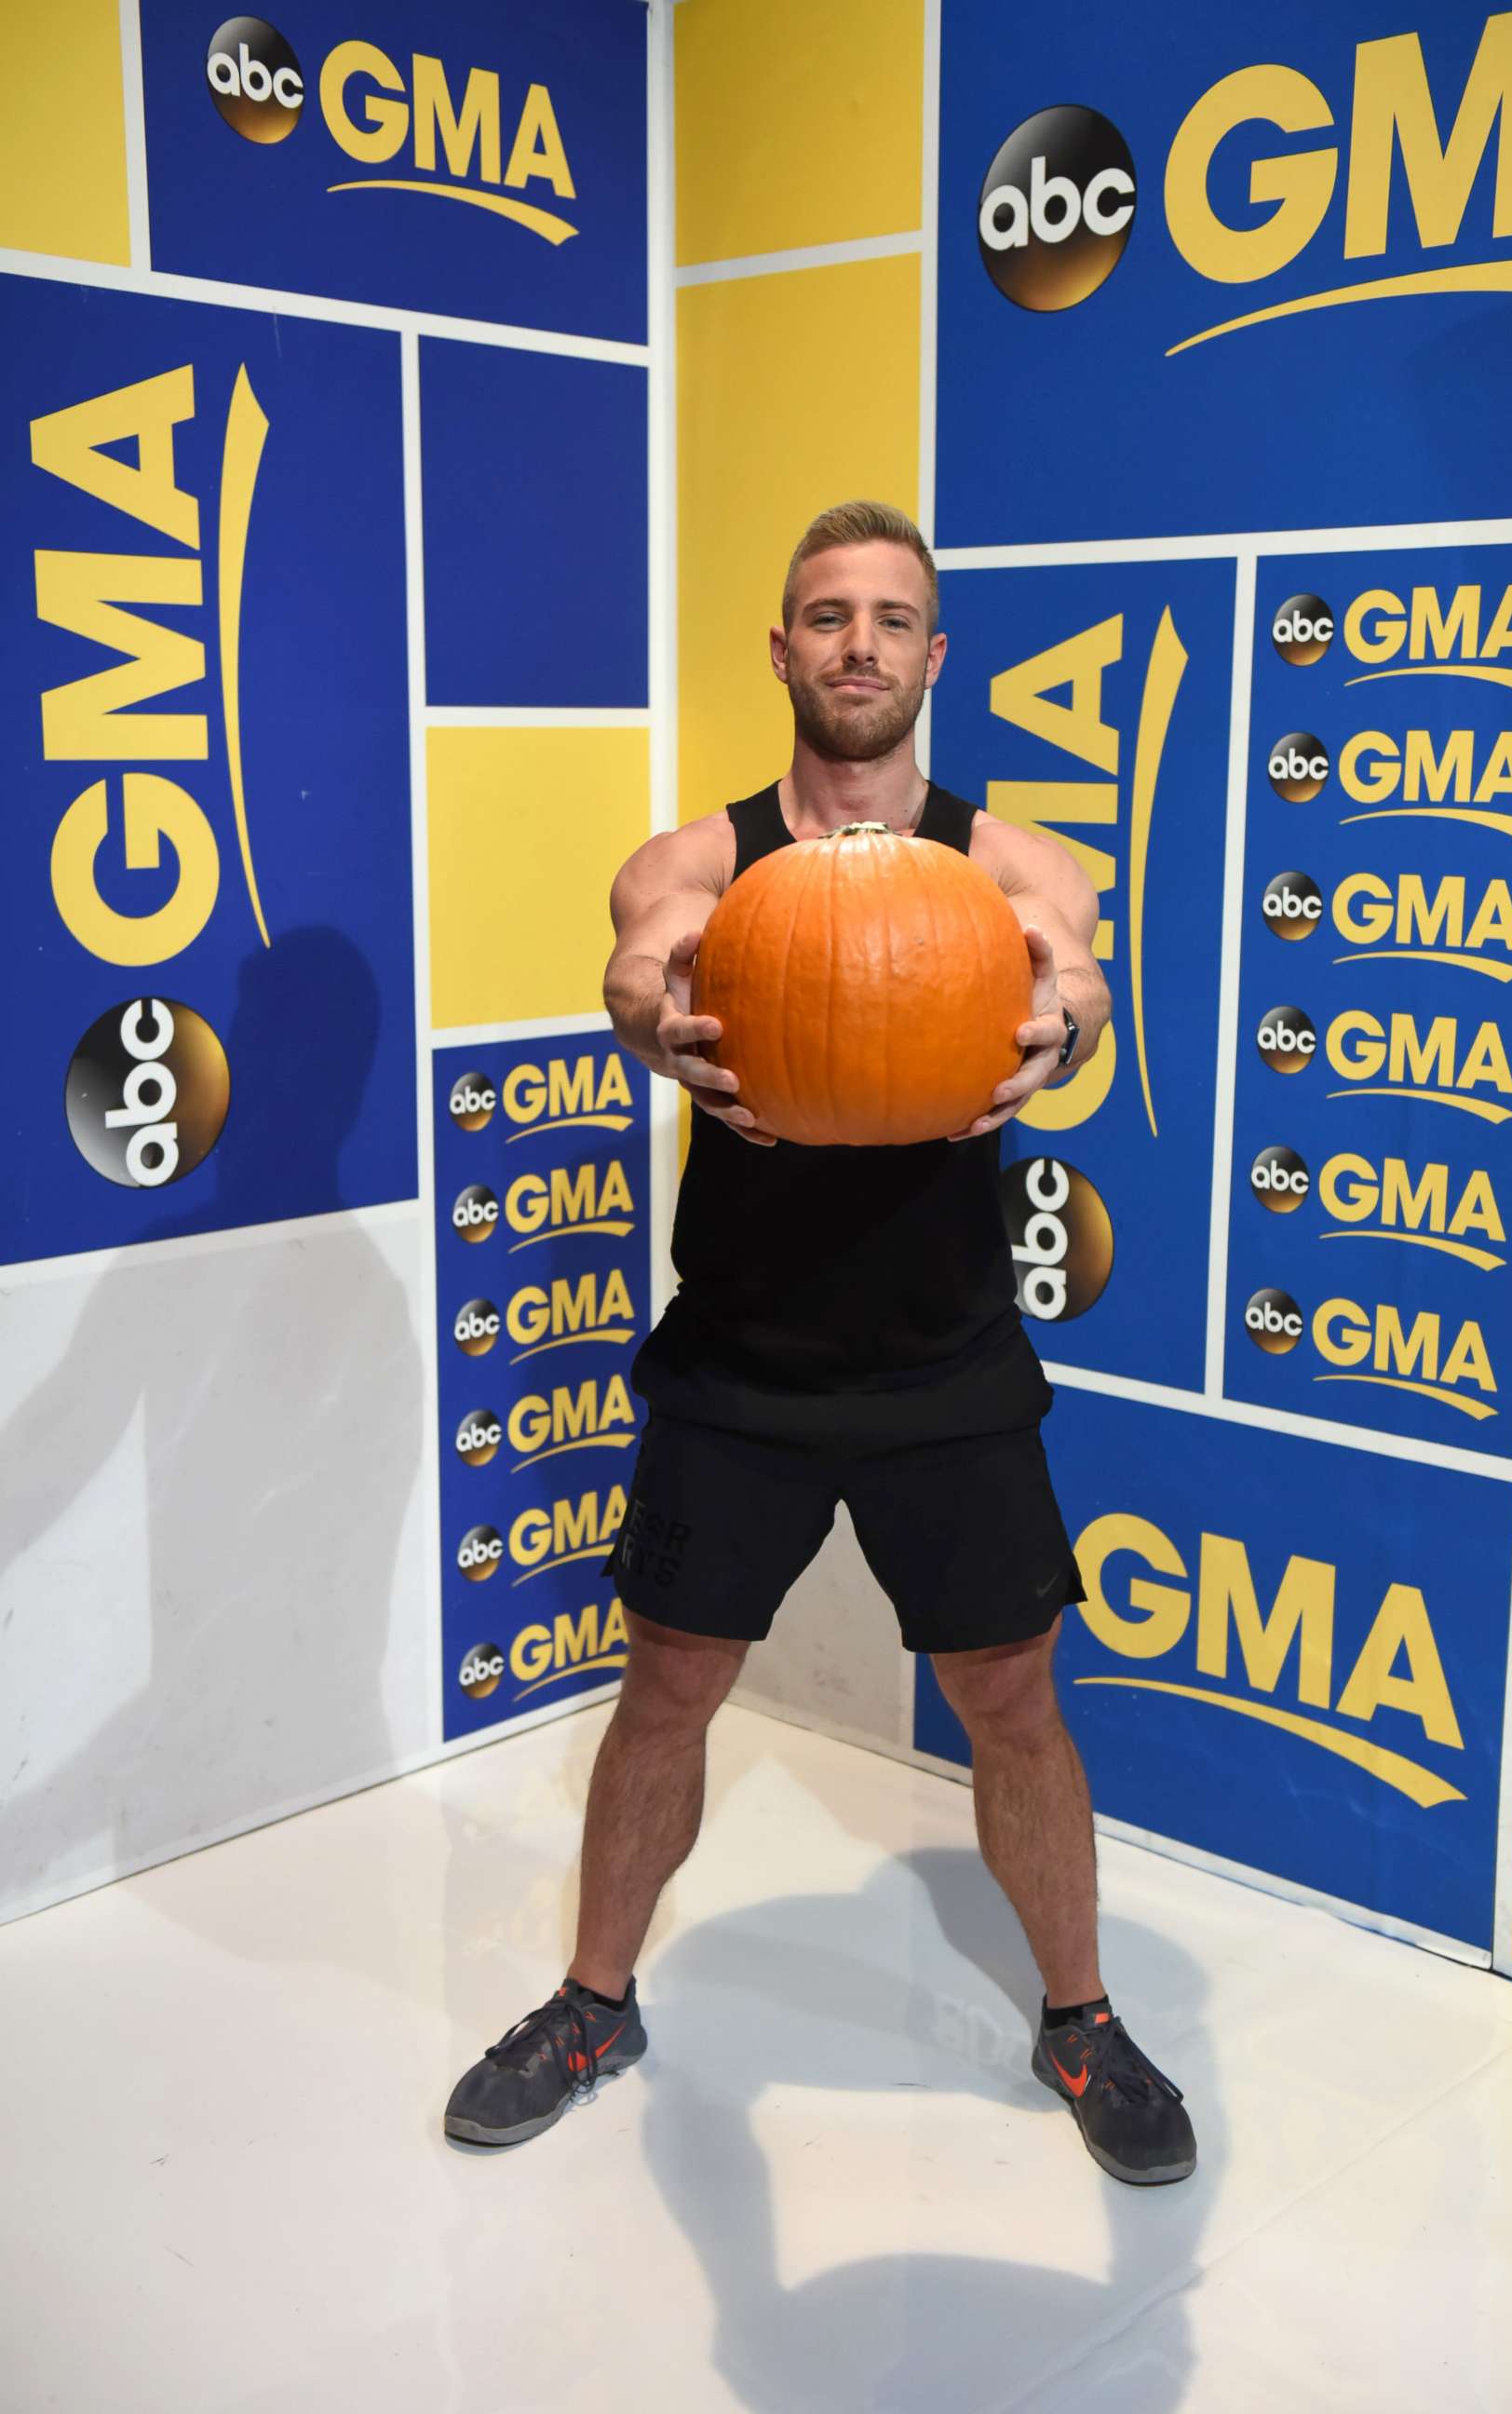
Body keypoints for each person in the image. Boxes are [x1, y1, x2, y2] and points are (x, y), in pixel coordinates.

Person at [444, 500, 1195, 2187]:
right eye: (827, 615)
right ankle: (593, 1998)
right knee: (667, 1692)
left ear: (935, 658)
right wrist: (661, 1021)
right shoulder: (705, 865)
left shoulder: (1004, 864)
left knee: (1013, 1701)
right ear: (782, 651)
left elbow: (1074, 981)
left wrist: (1064, 1017)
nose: (858, 643)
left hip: (946, 1370)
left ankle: (1077, 2017)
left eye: (891, 619)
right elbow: (639, 967)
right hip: (744, 1366)